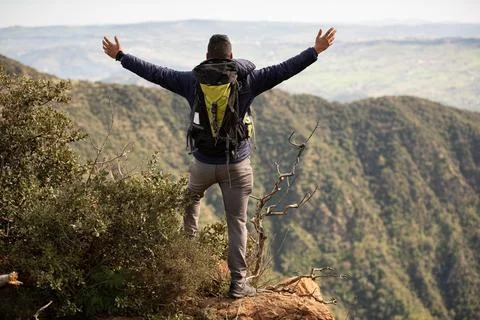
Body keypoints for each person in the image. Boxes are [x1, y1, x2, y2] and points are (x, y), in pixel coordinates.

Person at [102, 27, 336, 298]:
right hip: (236, 165)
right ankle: (238, 283)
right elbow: (285, 69)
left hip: (201, 165)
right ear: (231, 56)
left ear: (207, 56)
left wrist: (121, 56)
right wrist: (315, 51)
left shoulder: (191, 81)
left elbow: (155, 72)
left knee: (190, 208)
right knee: (237, 222)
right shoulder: (248, 81)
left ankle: (185, 267)